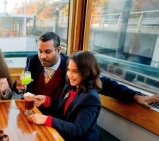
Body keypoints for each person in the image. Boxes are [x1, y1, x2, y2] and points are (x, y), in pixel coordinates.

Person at [13, 32, 159, 115]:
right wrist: (19, 86)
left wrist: (134, 95)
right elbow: (22, 85)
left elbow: (104, 83)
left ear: (58, 50)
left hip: (57, 118)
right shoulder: (32, 60)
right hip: (32, 113)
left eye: (48, 52)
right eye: (40, 51)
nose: (42, 56)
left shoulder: (71, 66)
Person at [29, 51, 103, 141]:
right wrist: (46, 100)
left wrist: (46, 119)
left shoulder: (91, 99)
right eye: (68, 70)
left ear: (87, 72)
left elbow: (77, 130)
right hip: (64, 137)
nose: (69, 75)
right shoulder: (71, 85)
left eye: (75, 71)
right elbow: (64, 107)